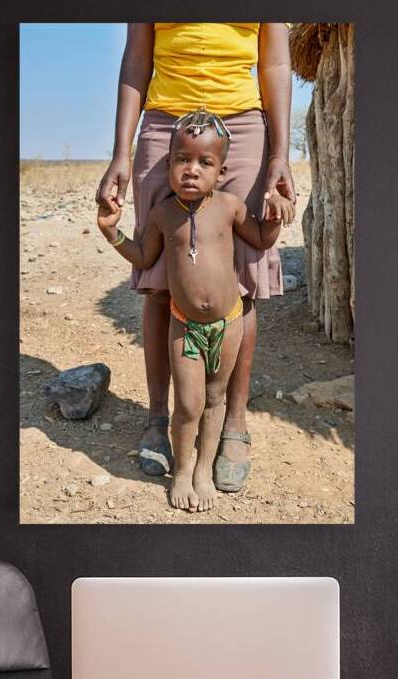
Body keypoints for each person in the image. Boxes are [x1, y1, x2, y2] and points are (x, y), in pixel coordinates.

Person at [96, 23, 296, 492]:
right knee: (157, 276)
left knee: (243, 282)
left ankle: (234, 426)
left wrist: (279, 155)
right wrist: (120, 152)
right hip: (164, 119)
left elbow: (275, 62)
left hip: (242, 125)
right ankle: (157, 418)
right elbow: (137, 59)